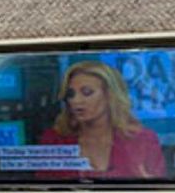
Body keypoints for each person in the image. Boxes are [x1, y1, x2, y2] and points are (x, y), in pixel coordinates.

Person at [38, 59, 166, 179]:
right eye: (71, 94)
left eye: (87, 92)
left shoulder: (143, 140)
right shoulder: (54, 140)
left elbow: (157, 191)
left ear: (110, 95)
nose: (76, 101)